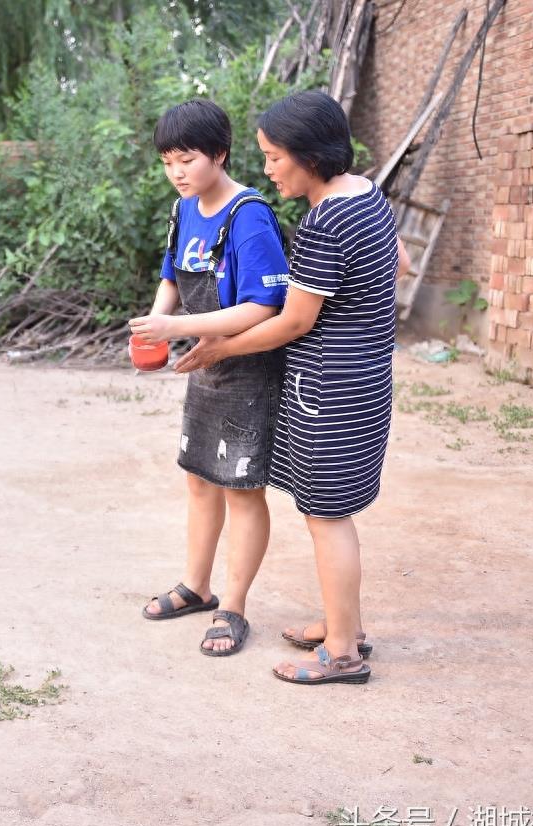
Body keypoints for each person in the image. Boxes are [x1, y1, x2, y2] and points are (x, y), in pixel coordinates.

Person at [176, 91, 411, 684]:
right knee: (334, 514)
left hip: (328, 388)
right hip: (366, 378)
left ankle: (343, 654)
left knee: (327, 518)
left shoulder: (323, 221)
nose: (268, 169)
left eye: (275, 157)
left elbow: (294, 321)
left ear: (309, 157)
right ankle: (343, 625)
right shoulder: (367, 197)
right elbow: (400, 261)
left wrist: (219, 348)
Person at [128, 99, 290, 656]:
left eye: (188, 158)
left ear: (219, 153)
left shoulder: (249, 215)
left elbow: (263, 307)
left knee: (242, 490)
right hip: (206, 364)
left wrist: (176, 324)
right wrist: (158, 324)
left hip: (248, 368)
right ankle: (197, 586)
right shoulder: (184, 209)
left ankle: (234, 607)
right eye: (168, 160)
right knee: (199, 479)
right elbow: (171, 275)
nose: (177, 171)